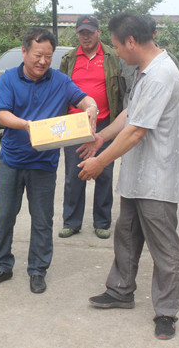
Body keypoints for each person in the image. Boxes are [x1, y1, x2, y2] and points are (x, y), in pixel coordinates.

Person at [78, 12, 179, 340]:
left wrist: (100, 162)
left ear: (132, 41)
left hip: (157, 179)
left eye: (116, 45)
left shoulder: (161, 75)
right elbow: (129, 114)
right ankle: (120, 290)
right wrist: (101, 137)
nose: (116, 52)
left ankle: (166, 312)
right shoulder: (144, 71)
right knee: (126, 236)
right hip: (137, 175)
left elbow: (137, 130)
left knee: (164, 248)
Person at [0, 27, 98, 294]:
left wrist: (91, 106)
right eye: (37, 55)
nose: (43, 61)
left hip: (44, 164)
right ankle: (3, 265)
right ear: (24, 52)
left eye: (48, 56)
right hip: (12, 160)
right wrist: (28, 125)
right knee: (3, 215)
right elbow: (2, 114)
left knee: (43, 219)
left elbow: (83, 99)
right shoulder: (9, 79)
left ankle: (37, 270)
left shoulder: (60, 81)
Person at [58, 15, 123, 239]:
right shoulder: (68, 58)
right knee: (74, 175)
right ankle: (71, 222)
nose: (86, 37)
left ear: (98, 33)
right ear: (77, 34)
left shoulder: (113, 56)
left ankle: (102, 222)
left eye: (90, 32)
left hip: (104, 125)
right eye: (82, 33)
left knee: (104, 173)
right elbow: (61, 89)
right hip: (74, 125)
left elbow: (121, 89)